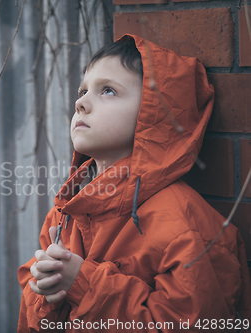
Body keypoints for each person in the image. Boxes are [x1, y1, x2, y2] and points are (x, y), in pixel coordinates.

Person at [17, 33, 251, 332]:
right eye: (83, 90)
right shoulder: (67, 210)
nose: (81, 103)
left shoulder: (184, 225)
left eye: (108, 91)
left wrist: (84, 284)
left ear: (153, 114)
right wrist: (45, 290)